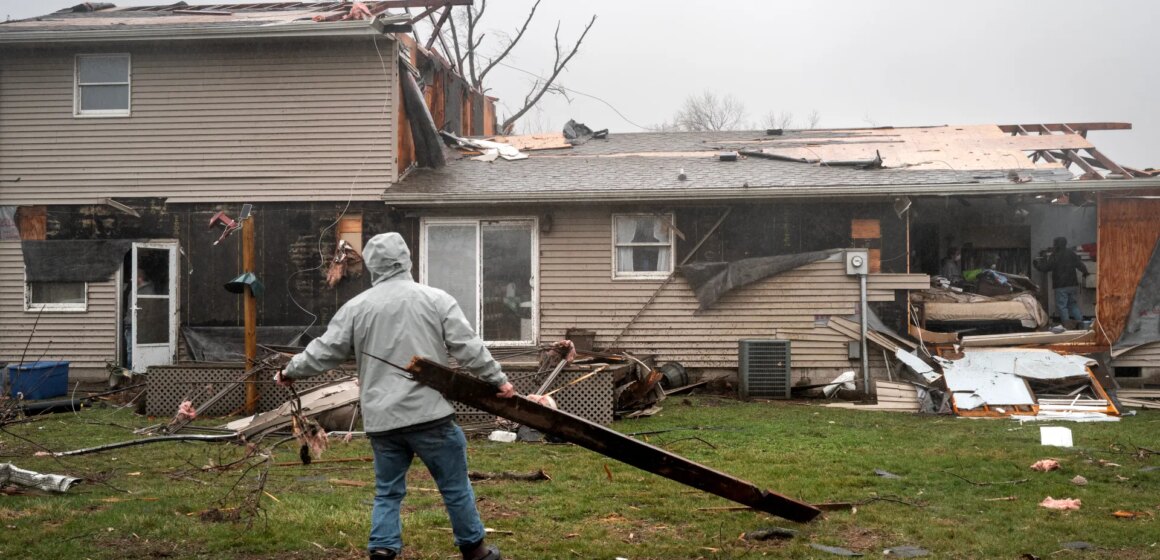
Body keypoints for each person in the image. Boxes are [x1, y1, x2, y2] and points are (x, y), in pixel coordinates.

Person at [276, 232, 516, 560]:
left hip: (382, 422)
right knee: (455, 487)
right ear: (406, 260)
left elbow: (325, 351)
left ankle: (383, 551)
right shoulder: (435, 299)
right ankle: (476, 553)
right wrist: (498, 380)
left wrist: (290, 370)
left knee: (388, 493)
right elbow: (469, 349)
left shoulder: (356, 308)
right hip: (430, 417)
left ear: (373, 266)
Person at [1038, 236, 1089, 327]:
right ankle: (1081, 324)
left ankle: (1067, 325)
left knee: (1062, 306)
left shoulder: (1055, 255)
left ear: (1056, 245)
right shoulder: (1071, 253)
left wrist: (1037, 265)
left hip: (1060, 286)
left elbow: (1046, 268)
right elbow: (1080, 265)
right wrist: (1085, 273)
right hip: (1073, 284)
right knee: (1073, 304)